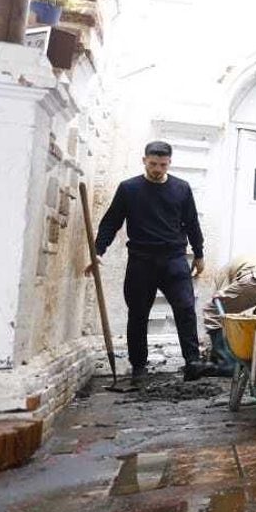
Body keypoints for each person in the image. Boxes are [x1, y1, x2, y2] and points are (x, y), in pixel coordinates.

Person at [90, 141, 206, 376]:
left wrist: (199, 253)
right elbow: (112, 221)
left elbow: (192, 222)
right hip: (141, 260)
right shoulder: (129, 188)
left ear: (169, 163)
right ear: (144, 160)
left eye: (162, 165)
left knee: (185, 309)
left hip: (174, 259)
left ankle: (193, 363)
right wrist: (98, 251)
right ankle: (139, 367)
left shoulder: (181, 188)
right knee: (138, 313)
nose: (157, 169)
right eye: (153, 164)